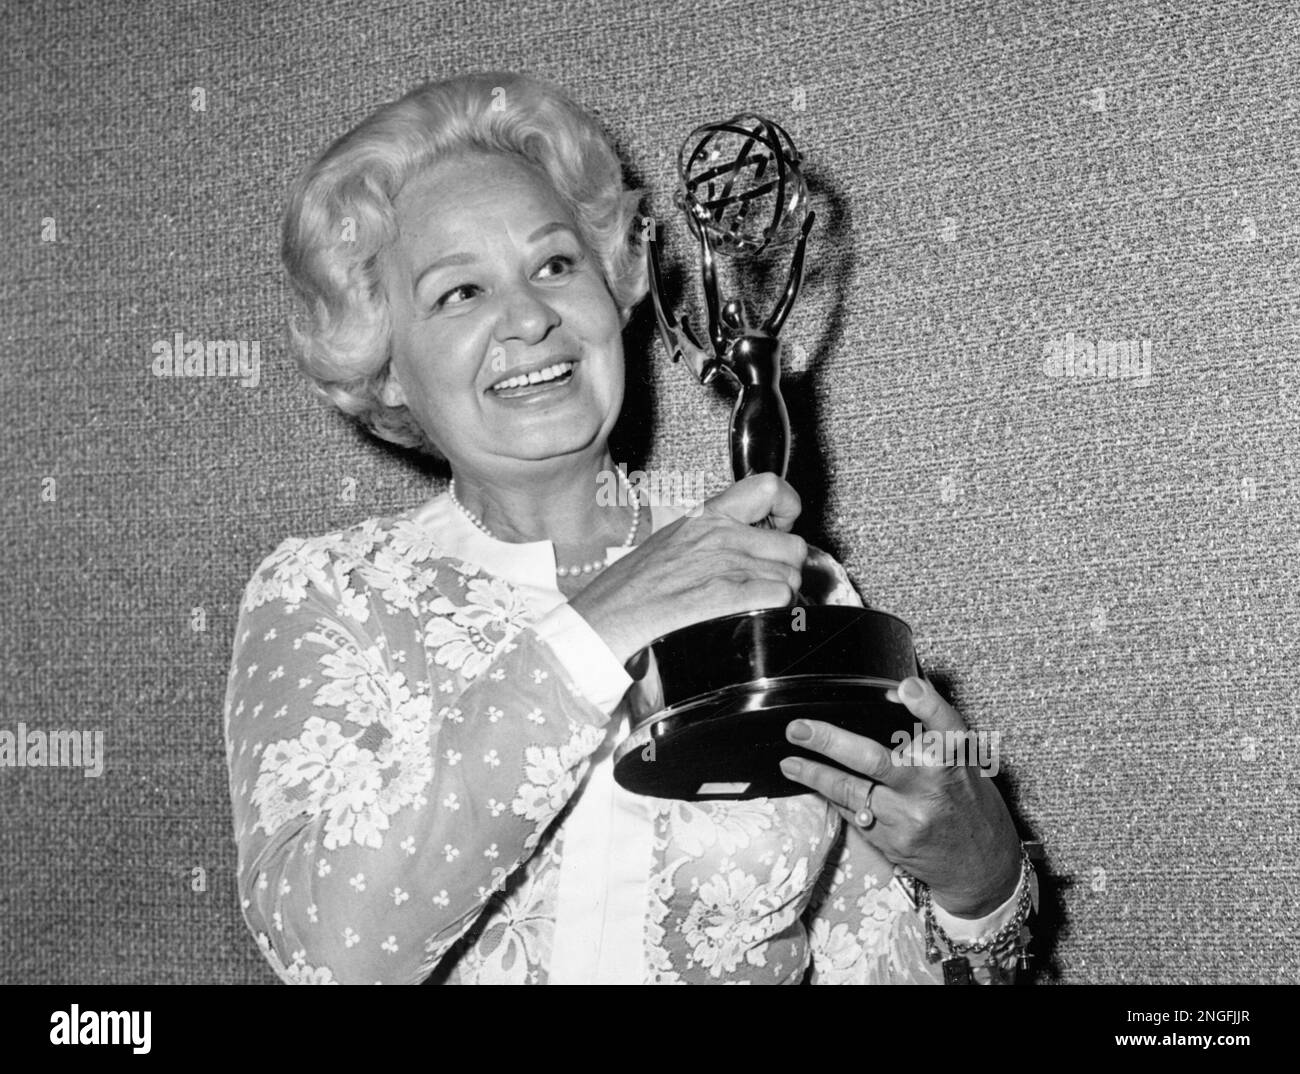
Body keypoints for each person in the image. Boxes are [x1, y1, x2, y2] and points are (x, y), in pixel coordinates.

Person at [224, 70, 1034, 984]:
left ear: (613, 293)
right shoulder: (325, 595)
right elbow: (330, 950)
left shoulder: (775, 576)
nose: (529, 316)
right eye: (459, 292)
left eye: (556, 265)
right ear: (386, 364)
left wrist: (982, 880)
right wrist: (597, 626)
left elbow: (881, 960)